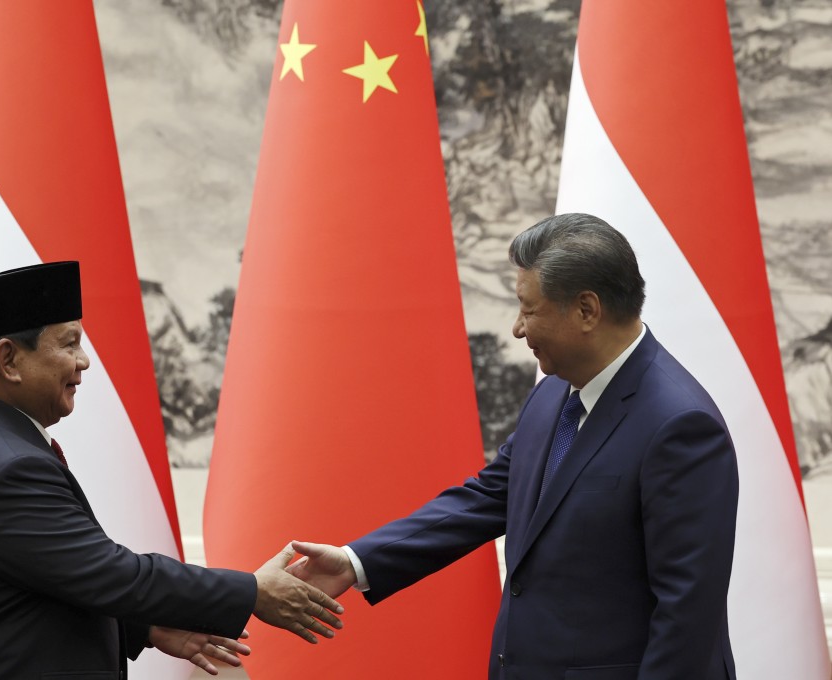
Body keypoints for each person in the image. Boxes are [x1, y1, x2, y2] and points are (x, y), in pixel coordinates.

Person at [288, 213, 738, 679]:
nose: (517, 329)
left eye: (529, 309)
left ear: (587, 310)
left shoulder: (681, 426)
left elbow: (688, 613)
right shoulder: (553, 393)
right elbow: (490, 496)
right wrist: (355, 562)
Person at [0, 261, 343, 679]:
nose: (84, 362)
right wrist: (253, 592)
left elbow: (42, 578)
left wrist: (141, 628)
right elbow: (111, 572)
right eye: (69, 344)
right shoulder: (7, 465)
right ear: (8, 360)